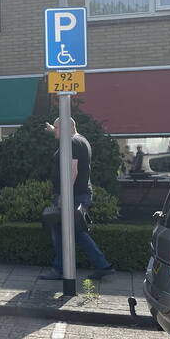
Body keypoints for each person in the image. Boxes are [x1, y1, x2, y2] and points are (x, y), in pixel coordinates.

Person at [40, 117, 115, 281]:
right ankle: (102, 265)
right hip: (79, 194)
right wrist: (54, 128)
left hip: (73, 195)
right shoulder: (80, 140)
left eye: (57, 129)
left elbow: (72, 170)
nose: (55, 132)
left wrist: (63, 196)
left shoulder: (73, 143)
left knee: (61, 231)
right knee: (75, 232)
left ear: (67, 128)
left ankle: (60, 270)